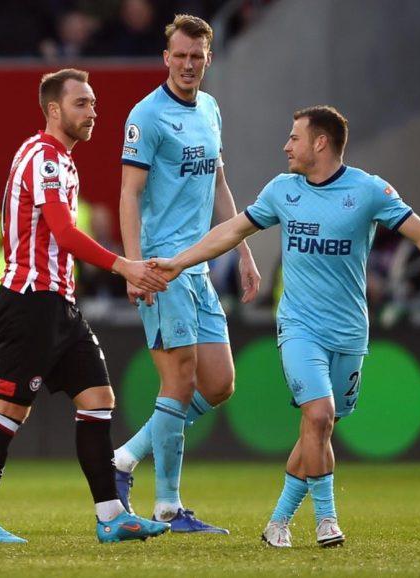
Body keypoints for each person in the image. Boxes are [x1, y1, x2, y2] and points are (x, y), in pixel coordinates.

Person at [151, 106, 420, 547]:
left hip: (350, 333)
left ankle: (278, 523)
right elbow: (231, 231)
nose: (286, 146)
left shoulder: (368, 191)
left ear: (320, 143)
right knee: (319, 414)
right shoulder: (282, 191)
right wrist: (178, 262)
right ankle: (327, 520)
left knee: (318, 428)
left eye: (294, 138)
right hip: (299, 327)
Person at [0, 68, 171, 545]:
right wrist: (125, 266)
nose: (93, 112)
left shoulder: (61, 161)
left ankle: (112, 516)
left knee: (98, 399)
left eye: (93, 103)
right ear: (54, 110)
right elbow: (64, 233)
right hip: (30, 303)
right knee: (8, 411)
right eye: (81, 103)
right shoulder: (45, 159)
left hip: (59, 304)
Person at [113, 14, 261, 534]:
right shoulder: (147, 116)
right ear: (166, 58)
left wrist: (242, 250)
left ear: (208, 59)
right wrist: (134, 266)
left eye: (197, 56)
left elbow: (218, 182)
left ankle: (124, 458)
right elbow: (129, 194)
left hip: (199, 267)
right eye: (179, 55)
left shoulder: (211, 110)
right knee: (177, 382)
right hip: (161, 266)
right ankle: (169, 508)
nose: (188, 64)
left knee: (219, 383)